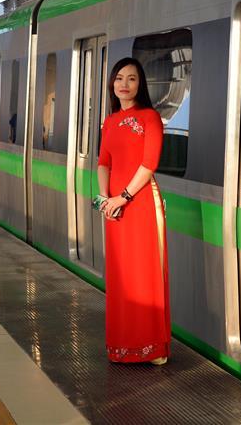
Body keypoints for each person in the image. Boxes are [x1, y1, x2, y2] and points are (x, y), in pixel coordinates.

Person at [96, 57, 170, 365]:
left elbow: (149, 163)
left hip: (139, 203)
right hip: (113, 205)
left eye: (132, 79)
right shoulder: (110, 121)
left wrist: (123, 197)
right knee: (120, 276)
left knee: (145, 271)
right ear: (112, 84)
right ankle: (121, 346)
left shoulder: (150, 118)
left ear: (141, 85)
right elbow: (103, 162)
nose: (124, 84)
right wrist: (104, 198)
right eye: (119, 79)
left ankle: (152, 348)